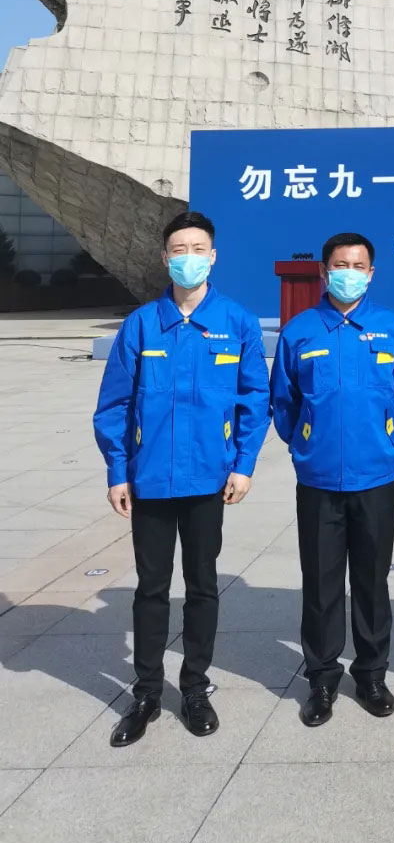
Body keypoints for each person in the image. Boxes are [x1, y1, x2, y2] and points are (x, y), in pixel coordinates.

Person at [93, 211, 270, 747]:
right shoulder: (142, 324)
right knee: (151, 588)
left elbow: (253, 400)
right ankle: (147, 692)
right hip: (149, 480)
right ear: (165, 258)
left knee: (202, 585)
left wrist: (243, 464)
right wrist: (117, 470)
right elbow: (115, 404)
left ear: (213, 256)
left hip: (209, 481)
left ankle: (194, 686)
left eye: (198, 249)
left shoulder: (236, 322)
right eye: (178, 249)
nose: (188, 258)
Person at [271, 232, 394, 727]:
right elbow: (285, 402)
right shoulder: (300, 331)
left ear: (371, 274)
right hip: (319, 479)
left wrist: (385, 436)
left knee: (372, 580)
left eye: (357, 266)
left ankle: (372, 674)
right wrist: (308, 442)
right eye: (339, 265)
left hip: (376, 475)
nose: (348, 273)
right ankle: (322, 678)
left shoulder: (390, 327)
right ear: (323, 271)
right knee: (322, 582)